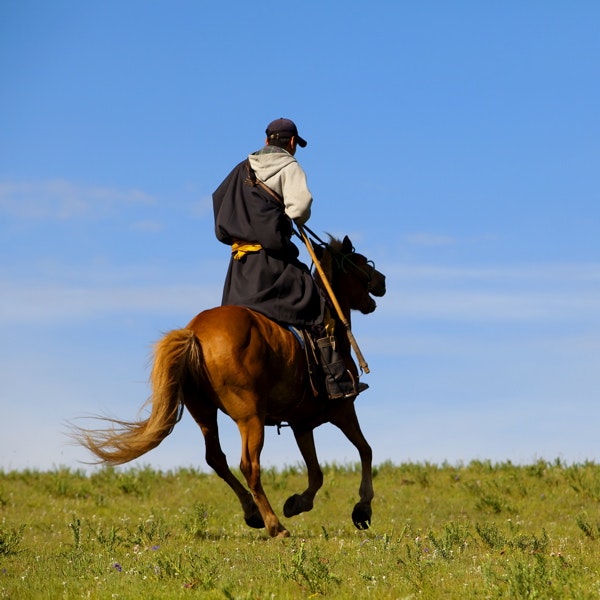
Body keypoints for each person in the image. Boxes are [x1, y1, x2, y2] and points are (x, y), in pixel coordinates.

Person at [212, 118, 363, 400]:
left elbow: (218, 200)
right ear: (292, 143)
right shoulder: (289, 166)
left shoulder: (240, 169)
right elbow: (300, 208)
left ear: (267, 140)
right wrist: (289, 214)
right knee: (317, 303)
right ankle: (334, 380)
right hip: (273, 264)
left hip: (241, 268)